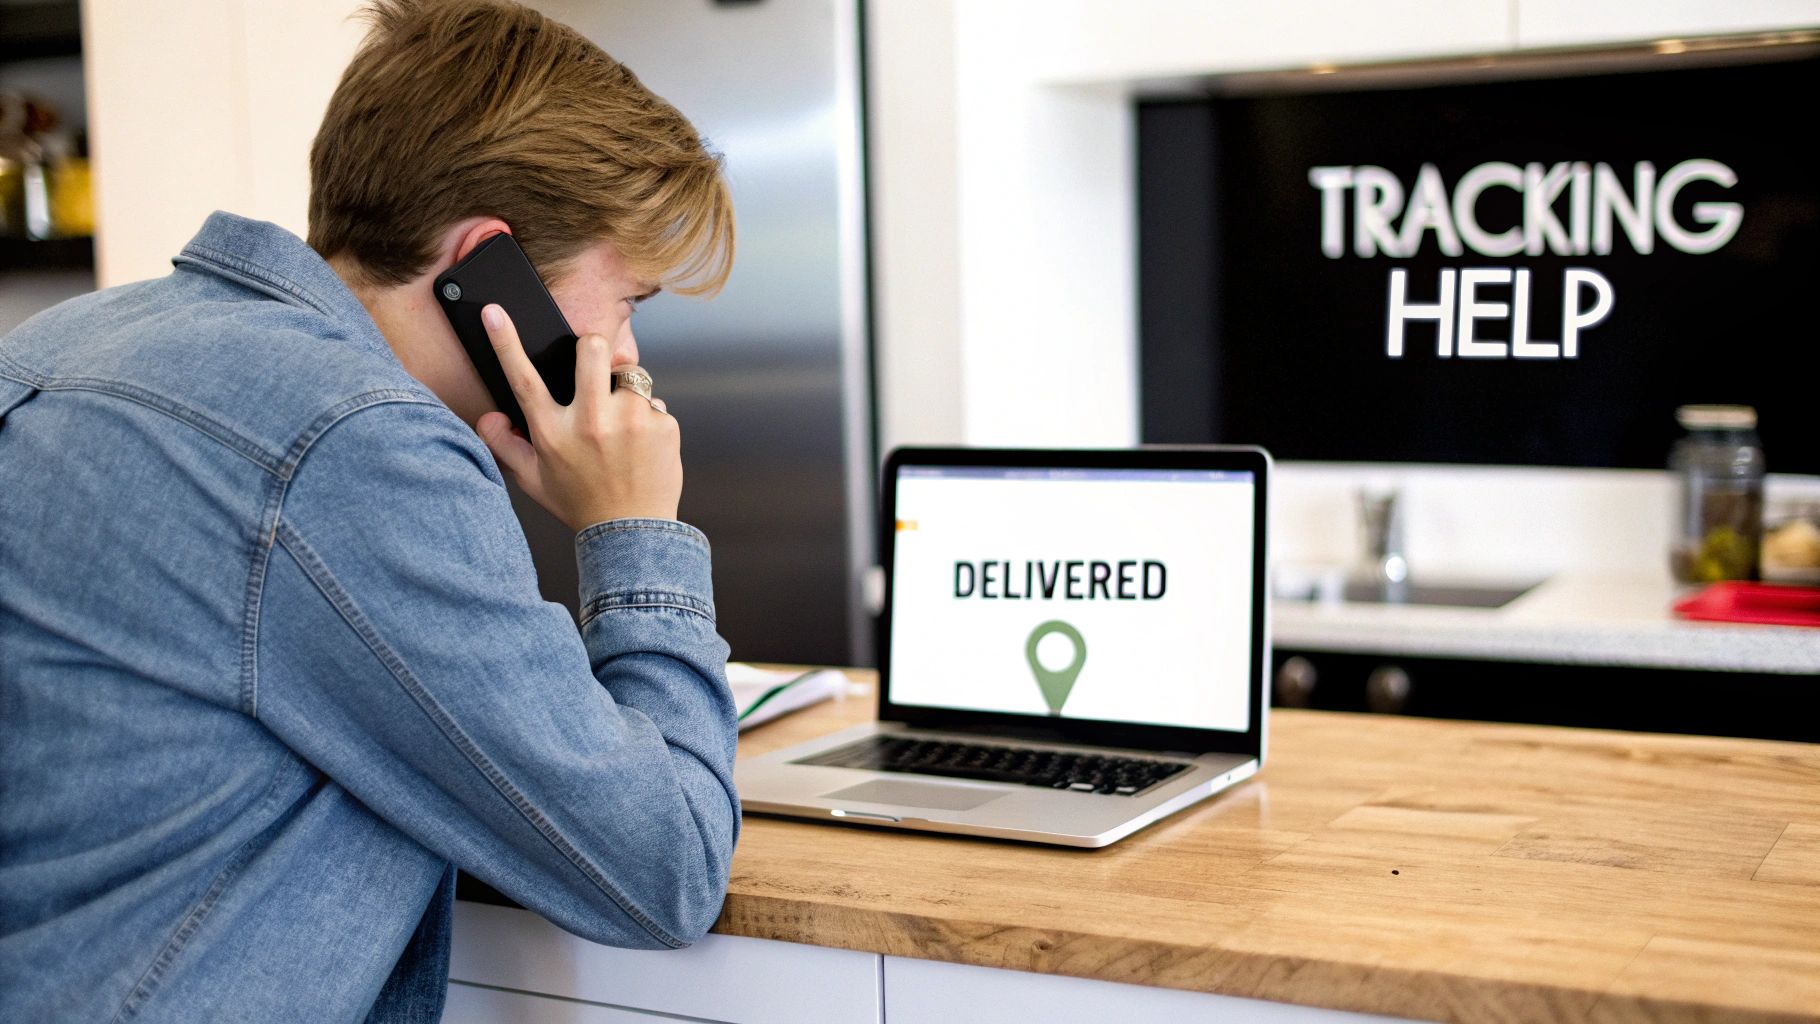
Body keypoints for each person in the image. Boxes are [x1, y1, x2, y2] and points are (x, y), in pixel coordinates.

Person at [0, 1, 740, 1020]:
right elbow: (665, 868)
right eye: (628, 300)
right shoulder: (356, 446)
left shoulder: (66, 342)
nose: (627, 353)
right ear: (492, 267)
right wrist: (635, 531)